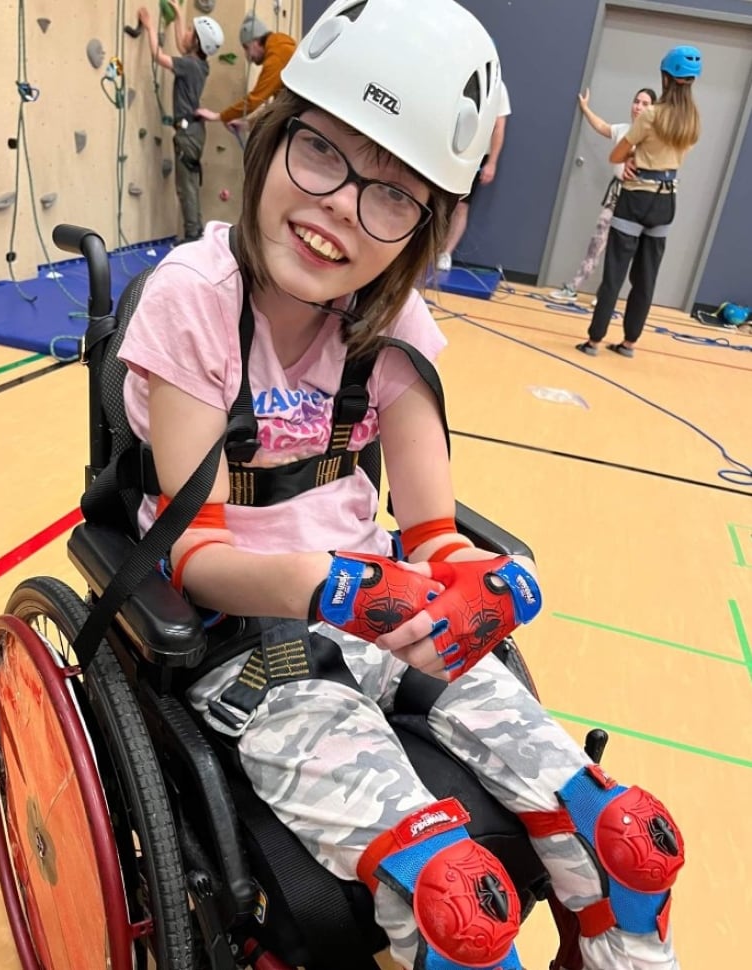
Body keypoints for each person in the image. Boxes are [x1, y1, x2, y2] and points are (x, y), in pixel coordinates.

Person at [119, 2, 685, 968]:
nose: (341, 204)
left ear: (427, 224)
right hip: (251, 642)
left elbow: (429, 532)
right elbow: (198, 554)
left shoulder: (395, 326)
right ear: (272, 140)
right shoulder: (192, 302)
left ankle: (619, 933)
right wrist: (330, 587)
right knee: (454, 901)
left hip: (387, 610)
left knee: (627, 832)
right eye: (323, 153)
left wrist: (477, 579)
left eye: (391, 194)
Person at [577, 46, 702, 358]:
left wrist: (633, 158)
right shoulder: (693, 121)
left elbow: (616, 154)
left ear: (665, 77)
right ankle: (629, 343)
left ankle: (594, 341)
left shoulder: (651, 115)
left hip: (636, 198)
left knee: (615, 274)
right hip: (666, 203)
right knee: (646, 278)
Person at [549, 86, 657, 303]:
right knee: (597, 243)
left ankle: (606, 296)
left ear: (653, 109)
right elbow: (602, 126)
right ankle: (574, 287)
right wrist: (585, 107)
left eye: (645, 104)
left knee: (623, 252)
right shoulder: (623, 130)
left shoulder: (653, 138)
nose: (638, 107)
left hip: (637, 200)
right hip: (615, 197)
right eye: (637, 101)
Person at [138, 2, 224, 242]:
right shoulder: (200, 65)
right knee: (190, 183)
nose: (184, 33)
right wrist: (177, 14)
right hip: (194, 131)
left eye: (189, 31)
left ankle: (193, 235)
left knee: (185, 186)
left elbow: (158, 56)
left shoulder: (188, 65)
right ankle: (195, 231)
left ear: (196, 42)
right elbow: (181, 45)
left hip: (187, 134)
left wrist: (149, 27)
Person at [435, 81, 510, 271]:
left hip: (475, 156)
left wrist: (492, 162)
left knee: (460, 206)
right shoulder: (459, 76)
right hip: (448, 149)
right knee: (437, 201)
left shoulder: (497, 88)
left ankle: (446, 253)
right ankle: (424, 249)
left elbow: (499, 127)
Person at [195, 11, 296, 133]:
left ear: (256, 41)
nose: (247, 56)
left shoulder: (277, 57)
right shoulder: (281, 47)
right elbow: (277, 109)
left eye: (246, 48)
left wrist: (219, 116)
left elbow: (254, 100)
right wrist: (247, 124)